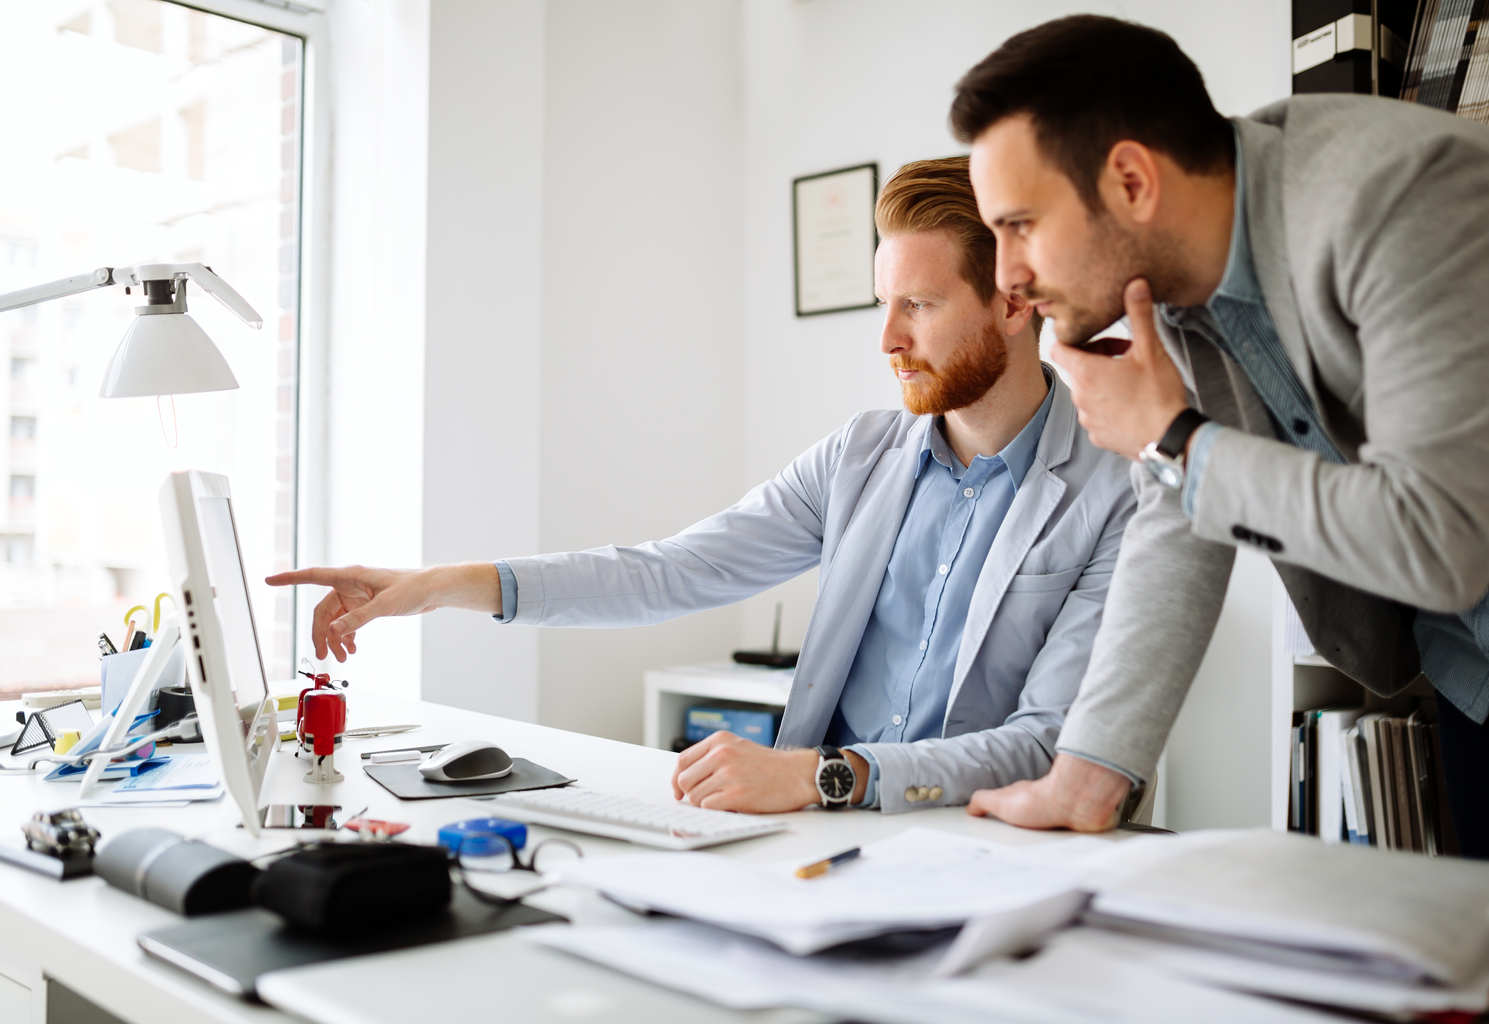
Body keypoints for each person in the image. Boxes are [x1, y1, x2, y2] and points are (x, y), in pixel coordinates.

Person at [268, 157, 1135, 817]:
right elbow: (670, 570)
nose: (886, 341)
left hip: (971, 841)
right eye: (884, 303)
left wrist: (826, 775)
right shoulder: (859, 457)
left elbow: (1051, 746)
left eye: (919, 305)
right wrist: (442, 586)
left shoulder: (1116, 490)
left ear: (1014, 304)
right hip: (820, 838)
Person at [952, 15, 1489, 863]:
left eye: (1018, 226)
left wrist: (1178, 440)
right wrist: (1088, 774)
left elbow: (1438, 535)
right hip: (1476, 677)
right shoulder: (1171, 286)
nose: (1005, 275)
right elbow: (1177, 518)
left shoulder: (1403, 196)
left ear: (1129, 181)